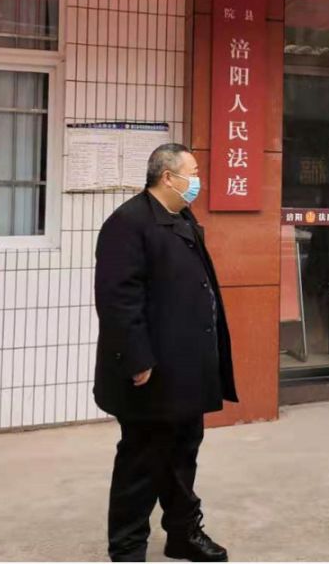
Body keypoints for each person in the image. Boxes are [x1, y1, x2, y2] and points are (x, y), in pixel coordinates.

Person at [94, 143, 237, 561]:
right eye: (193, 172)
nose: (198, 181)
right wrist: (137, 359)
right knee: (141, 461)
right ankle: (127, 549)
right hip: (150, 372)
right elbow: (118, 301)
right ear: (168, 177)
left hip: (184, 368)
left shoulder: (181, 218)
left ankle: (182, 534)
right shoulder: (128, 223)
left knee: (182, 453)